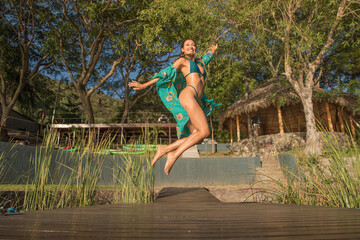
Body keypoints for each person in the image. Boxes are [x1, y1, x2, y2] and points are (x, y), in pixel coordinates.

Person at [129, 39, 220, 175]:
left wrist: (213, 50)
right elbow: (165, 73)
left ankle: (164, 150)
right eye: (187, 45)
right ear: (182, 49)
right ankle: (173, 155)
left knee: (197, 135)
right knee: (205, 131)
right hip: (188, 95)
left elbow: (208, 56)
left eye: (193, 44)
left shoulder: (200, 63)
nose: (191, 46)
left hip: (194, 99)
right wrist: (144, 85)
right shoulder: (182, 61)